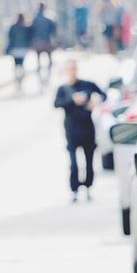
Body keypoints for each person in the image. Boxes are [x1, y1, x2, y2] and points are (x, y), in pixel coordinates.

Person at [53, 59, 105, 202]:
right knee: (74, 163)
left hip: (87, 127)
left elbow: (103, 94)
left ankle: (88, 187)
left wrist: (95, 102)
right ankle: (74, 189)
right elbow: (57, 103)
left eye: (74, 69)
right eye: (69, 69)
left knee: (89, 161)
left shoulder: (87, 85)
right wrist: (72, 101)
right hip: (71, 129)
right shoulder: (63, 89)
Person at [5, 12, 32, 91]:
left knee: (16, 65)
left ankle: (17, 79)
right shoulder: (26, 27)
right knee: (22, 65)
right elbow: (29, 37)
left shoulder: (13, 27)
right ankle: (20, 80)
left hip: (15, 49)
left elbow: (10, 37)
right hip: (23, 49)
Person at [30, 2, 57, 81]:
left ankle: (40, 75)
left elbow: (31, 31)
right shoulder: (48, 19)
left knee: (38, 60)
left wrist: (32, 42)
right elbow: (53, 31)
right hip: (47, 41)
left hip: (38, 42)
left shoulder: (34, 20)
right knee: (49, 59)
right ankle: (48, 75)